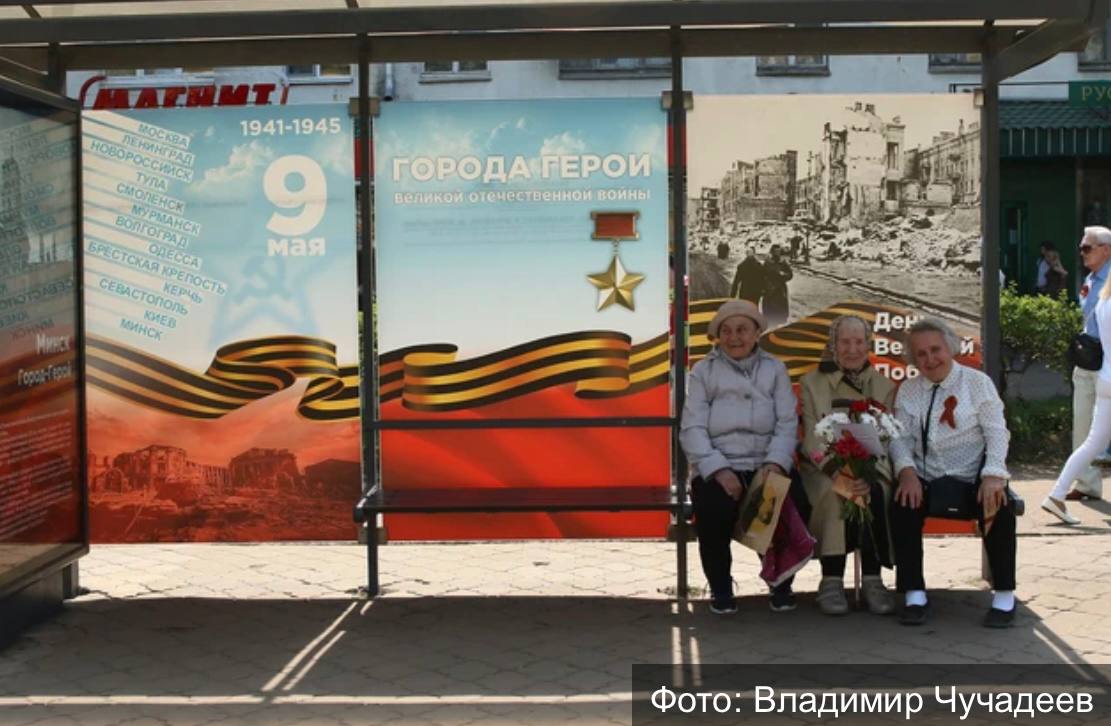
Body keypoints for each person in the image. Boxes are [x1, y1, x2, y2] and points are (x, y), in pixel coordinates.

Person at [889, 318, 1017, 628]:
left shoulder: (977, 383)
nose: (930, 359)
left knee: (1000, 503)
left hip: (972, 477)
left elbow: (997, 432)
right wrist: (906, 472)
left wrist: (993, 475)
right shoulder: (909, 390)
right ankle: (914, 594)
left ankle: (1004, 595)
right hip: (927, 477)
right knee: (902, 502)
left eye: (936, 350)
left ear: (951, 348)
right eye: (921, 354)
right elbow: (899, 438)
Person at [680, 299, 801, 614]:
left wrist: (774, 464)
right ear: (718, 335)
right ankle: (720, 587)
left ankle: (780, 582)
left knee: (786, 499)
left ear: (757, 333)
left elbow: (787, 423)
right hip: (720, 463)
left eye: (742, 330)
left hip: (765, 460)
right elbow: (692, 429)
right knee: (713, 508)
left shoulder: (775, 369)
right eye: (727, 331)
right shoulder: (703, 371)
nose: (734, 337)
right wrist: (719, 470)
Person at [798, 315, 895, 616]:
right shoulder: (812, 383)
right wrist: (838, 472)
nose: (852, 349)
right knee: (834, 492)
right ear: (833, 344)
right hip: (823, 469)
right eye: (844, 342)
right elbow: (812, 438)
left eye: (859, 342)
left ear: (868, 345)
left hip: (871, 468)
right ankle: (831, 579)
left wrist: (867, 474)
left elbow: (888, 437)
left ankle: (873, 579)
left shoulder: (884, 386)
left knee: (876, 492)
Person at [1045, 227, 1111, 523]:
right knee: (1088, 434)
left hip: (1103, 372)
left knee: (1091, 441)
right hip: (1095, 363)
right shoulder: (1095, 282)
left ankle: (1056, 495)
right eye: (1082, 248)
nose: (1082, 253)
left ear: (1106, 249)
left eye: (1088, 248)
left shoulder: (1103, 290)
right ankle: (1075, 488)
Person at [761, 244, 793, 328]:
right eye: (775, 251)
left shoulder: (783, 263)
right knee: (770, 315)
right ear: (772, 252)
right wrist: (764, 288)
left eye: (778, 251)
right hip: (770, 291)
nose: (777, 253)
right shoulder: (768, 263)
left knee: (779, 315)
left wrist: (784, 275)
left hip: (780, 291)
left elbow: (790, 274)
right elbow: (762, 276)